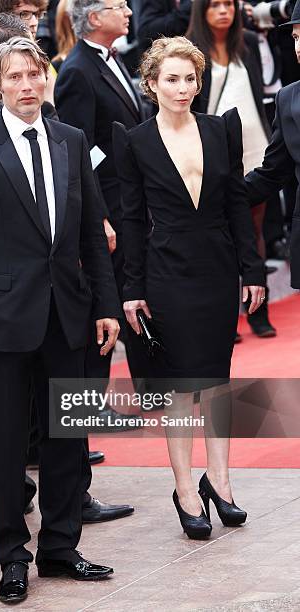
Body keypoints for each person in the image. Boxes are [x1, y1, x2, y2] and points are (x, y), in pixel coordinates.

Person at [0, 36, 121, 603]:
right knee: (13, 444)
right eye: (14, 77)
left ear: (46, 78)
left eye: (34, 75)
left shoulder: (71, 139)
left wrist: (107, 305)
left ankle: (62, 547)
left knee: (69, 437)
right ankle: (11, 557)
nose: (26, 86)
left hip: (70, 314)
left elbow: (93, 233)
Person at [113, 36, 265, 539]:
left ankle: (219, 482)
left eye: (190, 79)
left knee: (216, 382)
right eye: (171, 79)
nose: (183, 88)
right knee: (180, 389)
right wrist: (132, 288)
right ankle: (184, 489)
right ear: (152, 84)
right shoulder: (134, 140)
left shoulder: (221, 129)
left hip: (217, 269)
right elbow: (131, 220)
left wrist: (254, 270)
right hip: (166, 273)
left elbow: (237, 205)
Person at [55, 0, 151, 432]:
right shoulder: (77, 71)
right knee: (104, 299)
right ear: (94, 18)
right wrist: (100, 216)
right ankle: (91, 403)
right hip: (108, 206)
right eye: (119, 6)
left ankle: (140, 388)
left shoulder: (113, 59)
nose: (129, 11)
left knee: (124, 293)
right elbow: (81, 150)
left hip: (129, 200)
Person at [186, 0, 277, 338]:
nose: (223, 11)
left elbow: (262, 92)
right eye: (215, 5)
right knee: (217, 236)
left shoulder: (249, 43)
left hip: (255, 148)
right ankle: (224, 319)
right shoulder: (191, 49)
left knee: (255, 233)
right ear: (201, 11)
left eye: (229, 4)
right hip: (212, 151)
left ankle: (259, 312)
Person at [245, 0, 300, 287]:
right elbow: (272, 173)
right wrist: (224, 195)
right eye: (295, 38)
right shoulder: (288, 99)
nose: (299, 47)